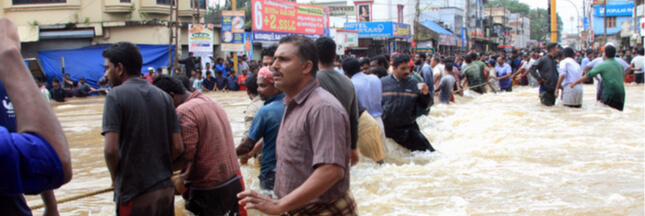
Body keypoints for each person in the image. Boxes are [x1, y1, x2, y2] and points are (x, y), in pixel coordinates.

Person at [238, 35, 357, 215]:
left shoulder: (322, 107)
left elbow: (331, 170)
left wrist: (279, 206)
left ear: (306, 67)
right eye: (275, 59)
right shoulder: (292, 103)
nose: (274, 66)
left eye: (283, 59)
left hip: (322, 210)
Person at [101, 42, 184, 215]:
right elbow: (178, 147)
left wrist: (115, 179)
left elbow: (110, 150)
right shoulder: (164, 97)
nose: (105, 74)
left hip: (135, 193)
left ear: (120, 69)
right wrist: (157, 170)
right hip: (165, 191)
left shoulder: (115, 96)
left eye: (107, 68)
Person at [0, 18, 72, 214]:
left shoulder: (6, 88)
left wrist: (50, 204)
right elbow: (52, 156)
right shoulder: (12, 80)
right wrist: (9, 53)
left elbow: (28, 142)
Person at [152, 75, 245, 216]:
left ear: (171, 97)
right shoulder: (211, 101)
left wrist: (156, 172)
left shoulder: (184, 111)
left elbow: (185, 156)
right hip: (233, 182)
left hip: (209, 191)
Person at [236, 67, 285, 190]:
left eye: (262, 86)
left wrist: (226, 156)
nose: (258, 90)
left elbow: (247, 145)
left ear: (276, 86)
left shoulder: (265, 111)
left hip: (271, 173)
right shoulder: (294, 103)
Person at [315, 37, 360, 166]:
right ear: (335, 56)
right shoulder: (348, 82)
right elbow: (354, 118)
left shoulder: (310, 80)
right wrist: (353, 147)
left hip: (319, 144)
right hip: (341, 143)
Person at [381, 54, 435, 152]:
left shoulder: (415, 83)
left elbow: (426, 106)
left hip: (408, 129)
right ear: (394, 68)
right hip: (387, 130)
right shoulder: (382, 83)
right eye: (403, 68)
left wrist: (426, 94)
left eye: (408, 68)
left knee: (430, 154)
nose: (406, 71)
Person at [342, 57, 386, 163]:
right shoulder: (375, 79)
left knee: (367, 163)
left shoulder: (350, 84)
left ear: (346, 73)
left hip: (363, 125)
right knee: (382, 158)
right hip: (379, 122)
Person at [571, 45, 626, 111]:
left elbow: (588, 75)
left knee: (607, 113)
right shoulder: (619, 65)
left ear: (605, 54)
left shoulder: (603, 65)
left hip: (610, 94)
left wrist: (575, 82)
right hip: (621, 94)